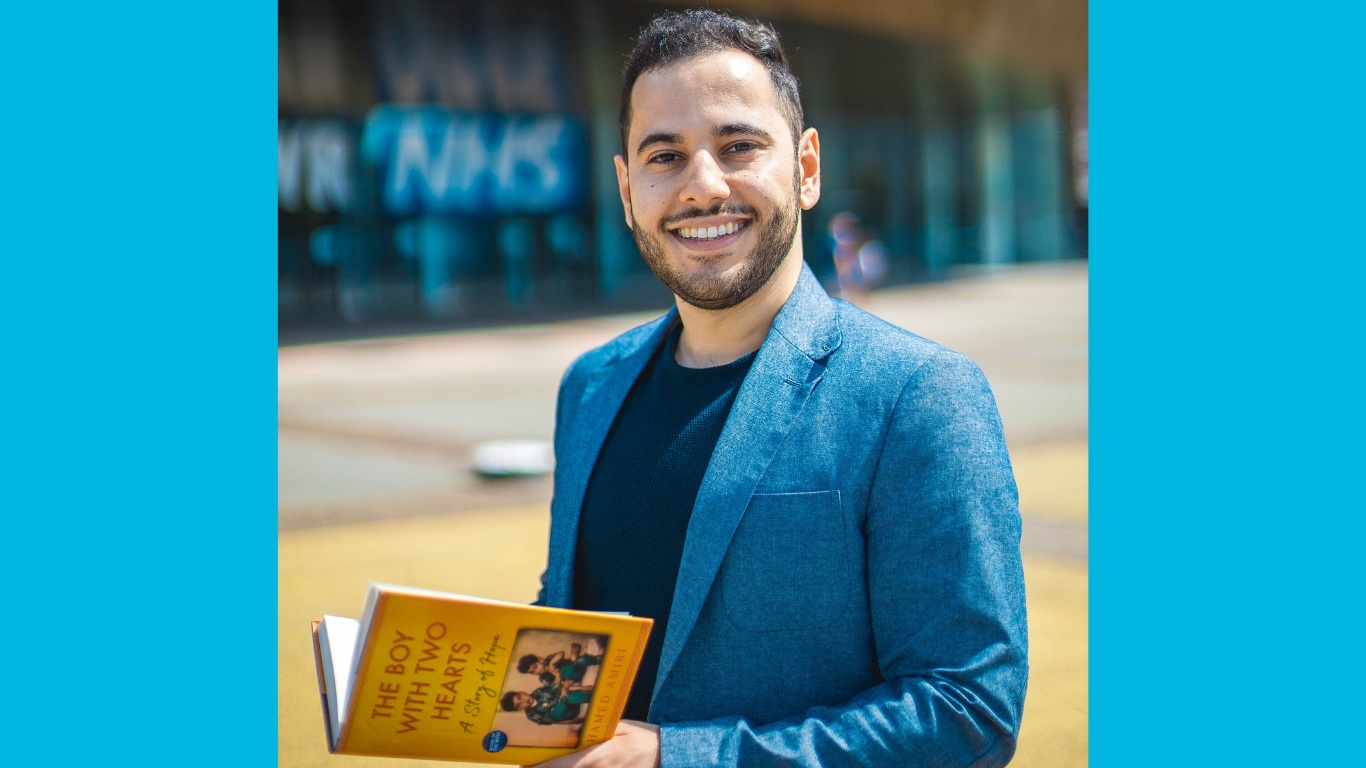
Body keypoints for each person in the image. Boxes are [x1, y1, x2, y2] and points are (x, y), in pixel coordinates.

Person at [532, 10, 1026, 768]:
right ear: (628, 188)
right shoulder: (589, 388)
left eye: (738, 147)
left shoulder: (918, 395)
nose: (704, 186)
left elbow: (967, 711)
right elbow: (570, 632)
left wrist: (674, 757)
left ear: (806, 168)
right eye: (665, 155)